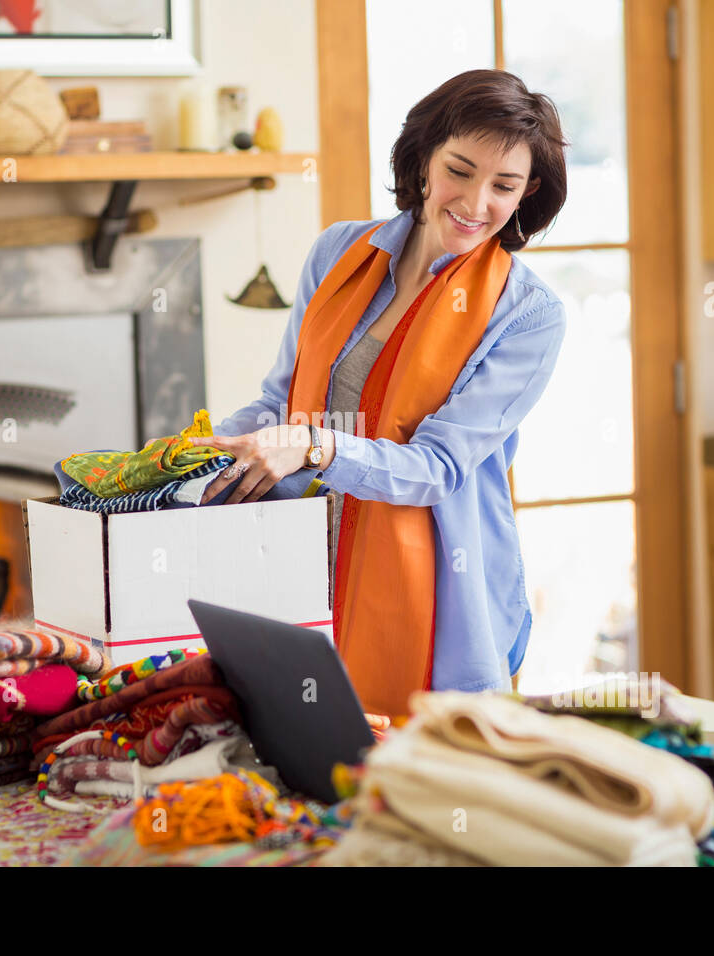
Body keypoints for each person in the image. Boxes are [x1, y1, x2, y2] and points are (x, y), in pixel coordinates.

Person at [194, 69, 568, 717]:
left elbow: (438, 469)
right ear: (424, 160)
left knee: (405, 796)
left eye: (503, 186)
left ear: (526, 193)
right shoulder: (340, 251)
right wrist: (191, 456)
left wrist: (314, 447)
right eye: (460, 170)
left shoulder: (528, 313)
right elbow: (279, 404)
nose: (476, 203)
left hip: (435, 598)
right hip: (298, 560)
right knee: (297, 786)